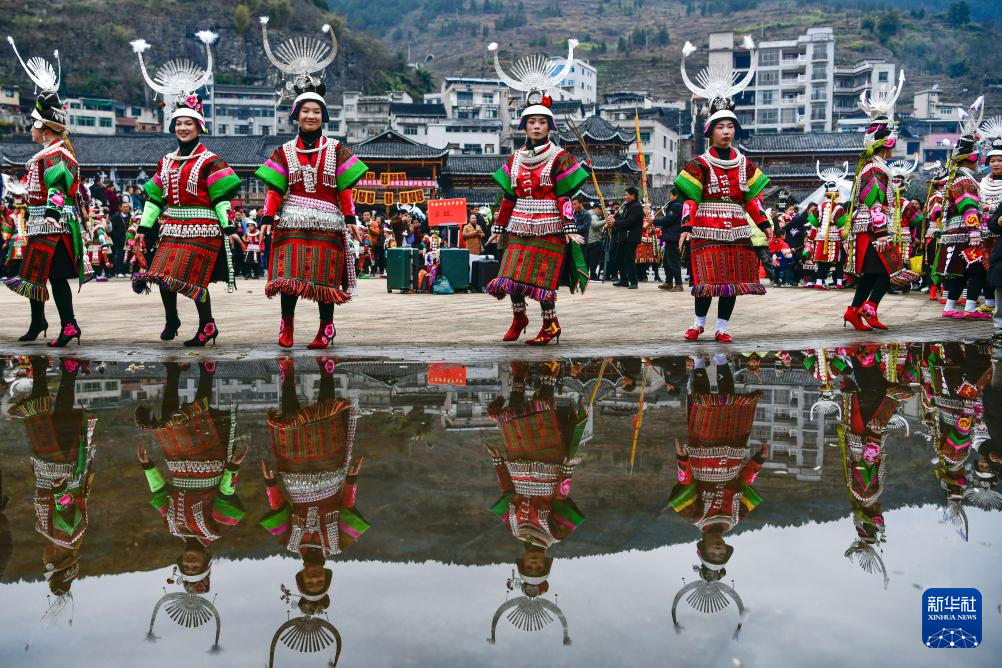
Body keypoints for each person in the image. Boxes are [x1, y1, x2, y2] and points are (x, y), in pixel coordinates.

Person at [256, 20, 367, 349]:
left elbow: (344, 190)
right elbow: (274, 190)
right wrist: (266, 219)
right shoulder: (283, 151)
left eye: (316, 111)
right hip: (291, 220)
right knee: (288, 276)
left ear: (324, 116)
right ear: (296, 115)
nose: (311, 116)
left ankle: (326, 328)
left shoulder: (336, 150)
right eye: (305, 110)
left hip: (328, 221)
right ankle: (286, 326)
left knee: (324, 278)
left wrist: (351, 220)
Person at [130, 33, 241, 346]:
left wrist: (228, 226)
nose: (182, 128)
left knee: (192, 278)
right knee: (162, 274)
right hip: (172, 226)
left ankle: (207, 325)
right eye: (178, 124)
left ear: (199, 126)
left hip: (202, 227)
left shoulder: (209, 160)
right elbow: (154, 199)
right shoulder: (166, 161)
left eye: (188, 124)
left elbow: (221, 197)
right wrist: (143, 227)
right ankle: (172, 318)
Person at [484, 40, 589, 345]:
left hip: (549, 225)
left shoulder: (559, 157)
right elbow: (509, 197)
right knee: (512, 275)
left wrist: (569, 229)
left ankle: (550, 324)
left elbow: (564, 196)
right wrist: (498, 227)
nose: (537, 126)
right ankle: (519, 317)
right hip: (518, 223)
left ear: (549, 125)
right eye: (532, 122)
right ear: (524, 125)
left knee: (542, 280)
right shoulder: (514, 158)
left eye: (542, 122)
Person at [676, 37, 771, 343]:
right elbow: (691, 199)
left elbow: (752, 199)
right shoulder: (700, 163)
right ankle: (698, 323)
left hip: (737, 228)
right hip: (706, 226)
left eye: (730, 126)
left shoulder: (745, 163)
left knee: (731, 280)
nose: (726, 131)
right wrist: (686, 228)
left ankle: (723, 327)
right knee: (707, 279)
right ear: (711, 131)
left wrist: (765, 224)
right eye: (720, 127)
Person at [486, 361, 585, 646]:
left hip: (518, 463)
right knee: (542, 412)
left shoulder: (514, 528)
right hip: (549, 464)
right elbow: (562, 497)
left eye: (528, 567)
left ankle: (519, 375)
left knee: (514, 415)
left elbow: (507, 492)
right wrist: (566, 471)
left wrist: (497, 463)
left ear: (522, 564)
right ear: (545, 563)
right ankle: (549, 373)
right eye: (537, 566)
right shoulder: (557, 533)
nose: (532, 563)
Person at [3, 40, 91, 347]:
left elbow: (57, 186)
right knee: (34, 275)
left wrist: (52, 214)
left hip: (54, 226)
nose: (30, 129)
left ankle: (69, 324)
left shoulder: (58, 155)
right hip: (40, 225)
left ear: (44, 126)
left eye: (32, 124)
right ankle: (39, 320)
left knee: (53, 277)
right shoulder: (47, 153)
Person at [842, 72, 912, 331]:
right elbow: (874, 204)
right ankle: (868, 310)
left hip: (870, 229)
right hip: (873, 230)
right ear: (886, 144)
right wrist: (882, 232)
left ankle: (853, 311)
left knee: (873, 273)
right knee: (886, 272)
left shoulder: (877, 166)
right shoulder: (874, 169)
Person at [934, 97, 990, 320]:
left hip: (953, 235)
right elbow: (968, 208)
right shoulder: (965, 181)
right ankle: (970, 308)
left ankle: (949, 307)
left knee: (957, 271)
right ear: (972, 158)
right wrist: (975, 233)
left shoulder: (955, 179)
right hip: (965, 235)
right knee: (977, 271)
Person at [804, 163, 850, 290]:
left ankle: (819, 282)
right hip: (835, 238)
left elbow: (813, 225)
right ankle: (839, 283)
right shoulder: (839, 208)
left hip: (820, 236)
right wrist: (845, 241)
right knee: (839, 261)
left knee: (822, 261)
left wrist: (811, 240)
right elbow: (842, 227)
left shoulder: (818, 207)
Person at [978, 117, 1002, 320]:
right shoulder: (982, 183)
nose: (996, 164)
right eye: (992, 160)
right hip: (986, 229)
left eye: (1000, 160)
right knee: (987, 266)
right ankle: (990, 303)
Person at [605, 187, 644, 288]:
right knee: (618, 258)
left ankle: (633, 282)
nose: (625, 196)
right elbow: (623, 219)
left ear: (633, 195)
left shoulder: (636, 207)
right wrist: (614, 218)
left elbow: (630, 222)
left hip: (631, 237)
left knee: (629, 259)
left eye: (627, 195)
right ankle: (623, 280)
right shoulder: (628, 205)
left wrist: (615, 222)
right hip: (624, 236)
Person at [655, 189, 684, 291]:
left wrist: (654, 220)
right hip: (670, 235)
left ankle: (679, 284)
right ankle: (668, 282)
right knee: (667, 261)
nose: (669, 197)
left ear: (675, 196)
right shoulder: (675, 204)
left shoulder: (676, 205)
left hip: (673, 236)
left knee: (673, 261)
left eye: (671, 195)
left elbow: (668, 220)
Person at [108, 199, 130, 277]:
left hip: (128, 240)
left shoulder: (131, 217)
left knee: (127, 255)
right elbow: (112, 230)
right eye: (124, 207)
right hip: (119, 241)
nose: (126, 208)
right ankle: (118, 271)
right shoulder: (115, 217)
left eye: (127, 207)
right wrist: (117, 237)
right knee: (119, 256)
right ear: (120, 208)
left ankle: (126, 271)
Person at [585, 201, 605, 281]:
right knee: (593, 260)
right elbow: (595, 225)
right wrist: (606, 220)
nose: (601, 210)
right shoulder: (593, 215)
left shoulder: (593, 215)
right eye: (600, 209)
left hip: (591, 240)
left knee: (590, 260)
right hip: (594, 241)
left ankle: (587, 275)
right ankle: (593, 275)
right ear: (595, 208)